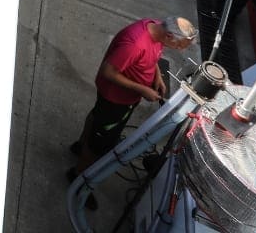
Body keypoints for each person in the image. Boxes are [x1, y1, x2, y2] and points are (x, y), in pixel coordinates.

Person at [67, 17, 198, 185]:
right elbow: (108, 72)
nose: (179, 50)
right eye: (179, 46)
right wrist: (142, 89)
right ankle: (78, 176)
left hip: (123, 99)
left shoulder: (157, 28)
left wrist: (156, 76)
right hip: (115, 99)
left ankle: (80, 146)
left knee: (97, 117)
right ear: (170, 36)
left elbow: (153, 55)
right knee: (99, 143)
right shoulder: (134, 44)